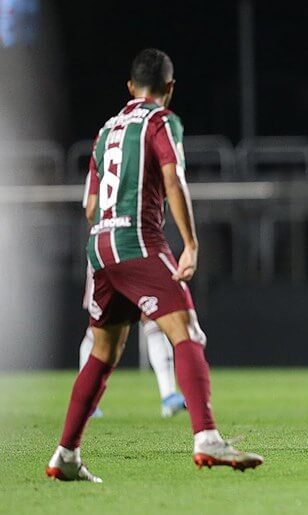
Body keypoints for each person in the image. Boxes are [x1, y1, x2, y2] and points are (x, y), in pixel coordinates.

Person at [46, 48, 263, 482]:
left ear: (130, 87)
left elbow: (89, 206)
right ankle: (206, 437)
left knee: (103, 352)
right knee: (187, 331)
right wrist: (191, 243)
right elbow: (173, 178)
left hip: (100, 246)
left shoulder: (105, 131)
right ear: (170, 87)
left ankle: (66, 454)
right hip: (138, 240)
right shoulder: (161, 121)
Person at [79, 177, 186, 418]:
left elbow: (91, 210)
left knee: (138, 320)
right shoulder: (140, 157)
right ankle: (167, 396)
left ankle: (168, 395)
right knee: (105, 329)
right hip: (135, 245)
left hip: (109, 247)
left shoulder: (101, 157)